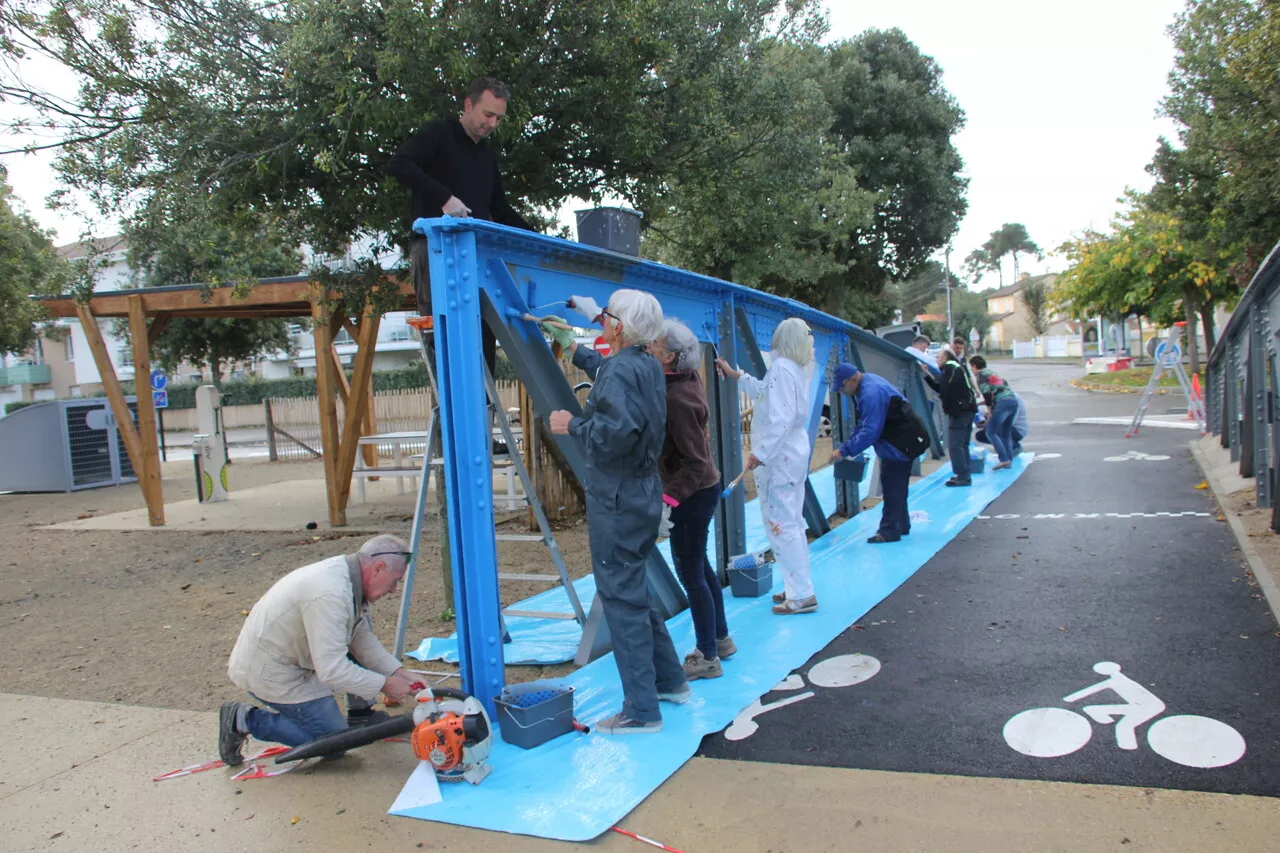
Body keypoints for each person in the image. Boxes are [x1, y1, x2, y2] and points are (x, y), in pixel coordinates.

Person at [543, 290, 689, 734]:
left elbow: (613, 432)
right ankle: (669, 680)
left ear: (618, 326)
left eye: (606, 316)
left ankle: (641, 711)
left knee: (621, 602)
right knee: (635, 592)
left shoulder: (625, 368)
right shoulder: (644, 363)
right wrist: (573, 348)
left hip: (618, 497)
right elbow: (608, 370)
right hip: (641, 492)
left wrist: (573, 425)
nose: (602, 320)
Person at [218, 535, 420, 765]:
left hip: (295, 660)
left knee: (343, 732)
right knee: (335, 743)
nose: (394, 589)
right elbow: (332, 670)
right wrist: (385, 684)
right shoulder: (331, 595)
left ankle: (361, 716)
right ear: (378, 568)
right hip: (271, 671)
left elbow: (361, 638)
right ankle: (244, 719)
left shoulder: (349, 580)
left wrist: (399, 673)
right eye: (395, 581)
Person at [386, 76, 533, 367]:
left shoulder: (487, 155)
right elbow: (399, 164)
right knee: (445, 337)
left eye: (499, 118)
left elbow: (499, 208)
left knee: (484, 333)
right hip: (435, 250)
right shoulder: (439, 134)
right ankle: (449, 410)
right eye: (488, 114)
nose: (492, 124)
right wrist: (444, 198)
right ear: (468, 105)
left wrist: (538, 238)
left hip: (473, 256)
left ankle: (486, 411)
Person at [648, 319, 735, 679]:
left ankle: (707, 656)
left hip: (693, 494)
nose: (647, 347)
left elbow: (695, 463)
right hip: (702, 490)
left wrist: (668, 502)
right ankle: (721, 639)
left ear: (669, 356)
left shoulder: (675, 399)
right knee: (699, 567)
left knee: (690, 573)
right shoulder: (685, 379)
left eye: (653, 345)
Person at [715, 318, 818, 615]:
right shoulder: (793, 370)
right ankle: (796, 586)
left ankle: (801, 594)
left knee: (781, 526)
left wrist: (760, 452)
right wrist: (737, 376)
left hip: (780, 460)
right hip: (791, 457)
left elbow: (781, 417)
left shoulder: (783, 369)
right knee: (792, 524)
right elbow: (764, 393)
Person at [829, 363, 930, 543]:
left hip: (899, 445)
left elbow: (870, 431)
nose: (842, 391)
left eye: (842, 386)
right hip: (905, 439)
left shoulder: (869, 394)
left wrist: (844, 450)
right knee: (898, 486)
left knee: (892, 487)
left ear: (852, 379)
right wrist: (848, 445)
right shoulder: (867, 384)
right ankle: (901, 524)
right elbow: (865, 422)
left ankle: (889, 531)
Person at [923, 348, 979, 487]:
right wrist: (926, 374)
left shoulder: (951, 367)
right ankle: (964, 474)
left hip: (960, 411)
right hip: (967, 409)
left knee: (955, 445)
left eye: (939, 357)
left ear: (945, 358)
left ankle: (963, 476)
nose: (937, 360)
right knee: (962, 444)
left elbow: (944, 388)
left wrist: (947, 405)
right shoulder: (955, 368)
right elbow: (940, 386)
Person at [970, 355, 1017, 470]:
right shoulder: (991, 372)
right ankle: (1008, 460)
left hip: (1002, 403)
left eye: (971, 368)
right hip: (1012, 401)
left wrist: (990, 410)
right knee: (1005, 432)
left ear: (975, 366)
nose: (972, 371)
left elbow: (986, 394)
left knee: (991, 432)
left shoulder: (981, 376)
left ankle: (1004, 459)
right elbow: (998, 388)